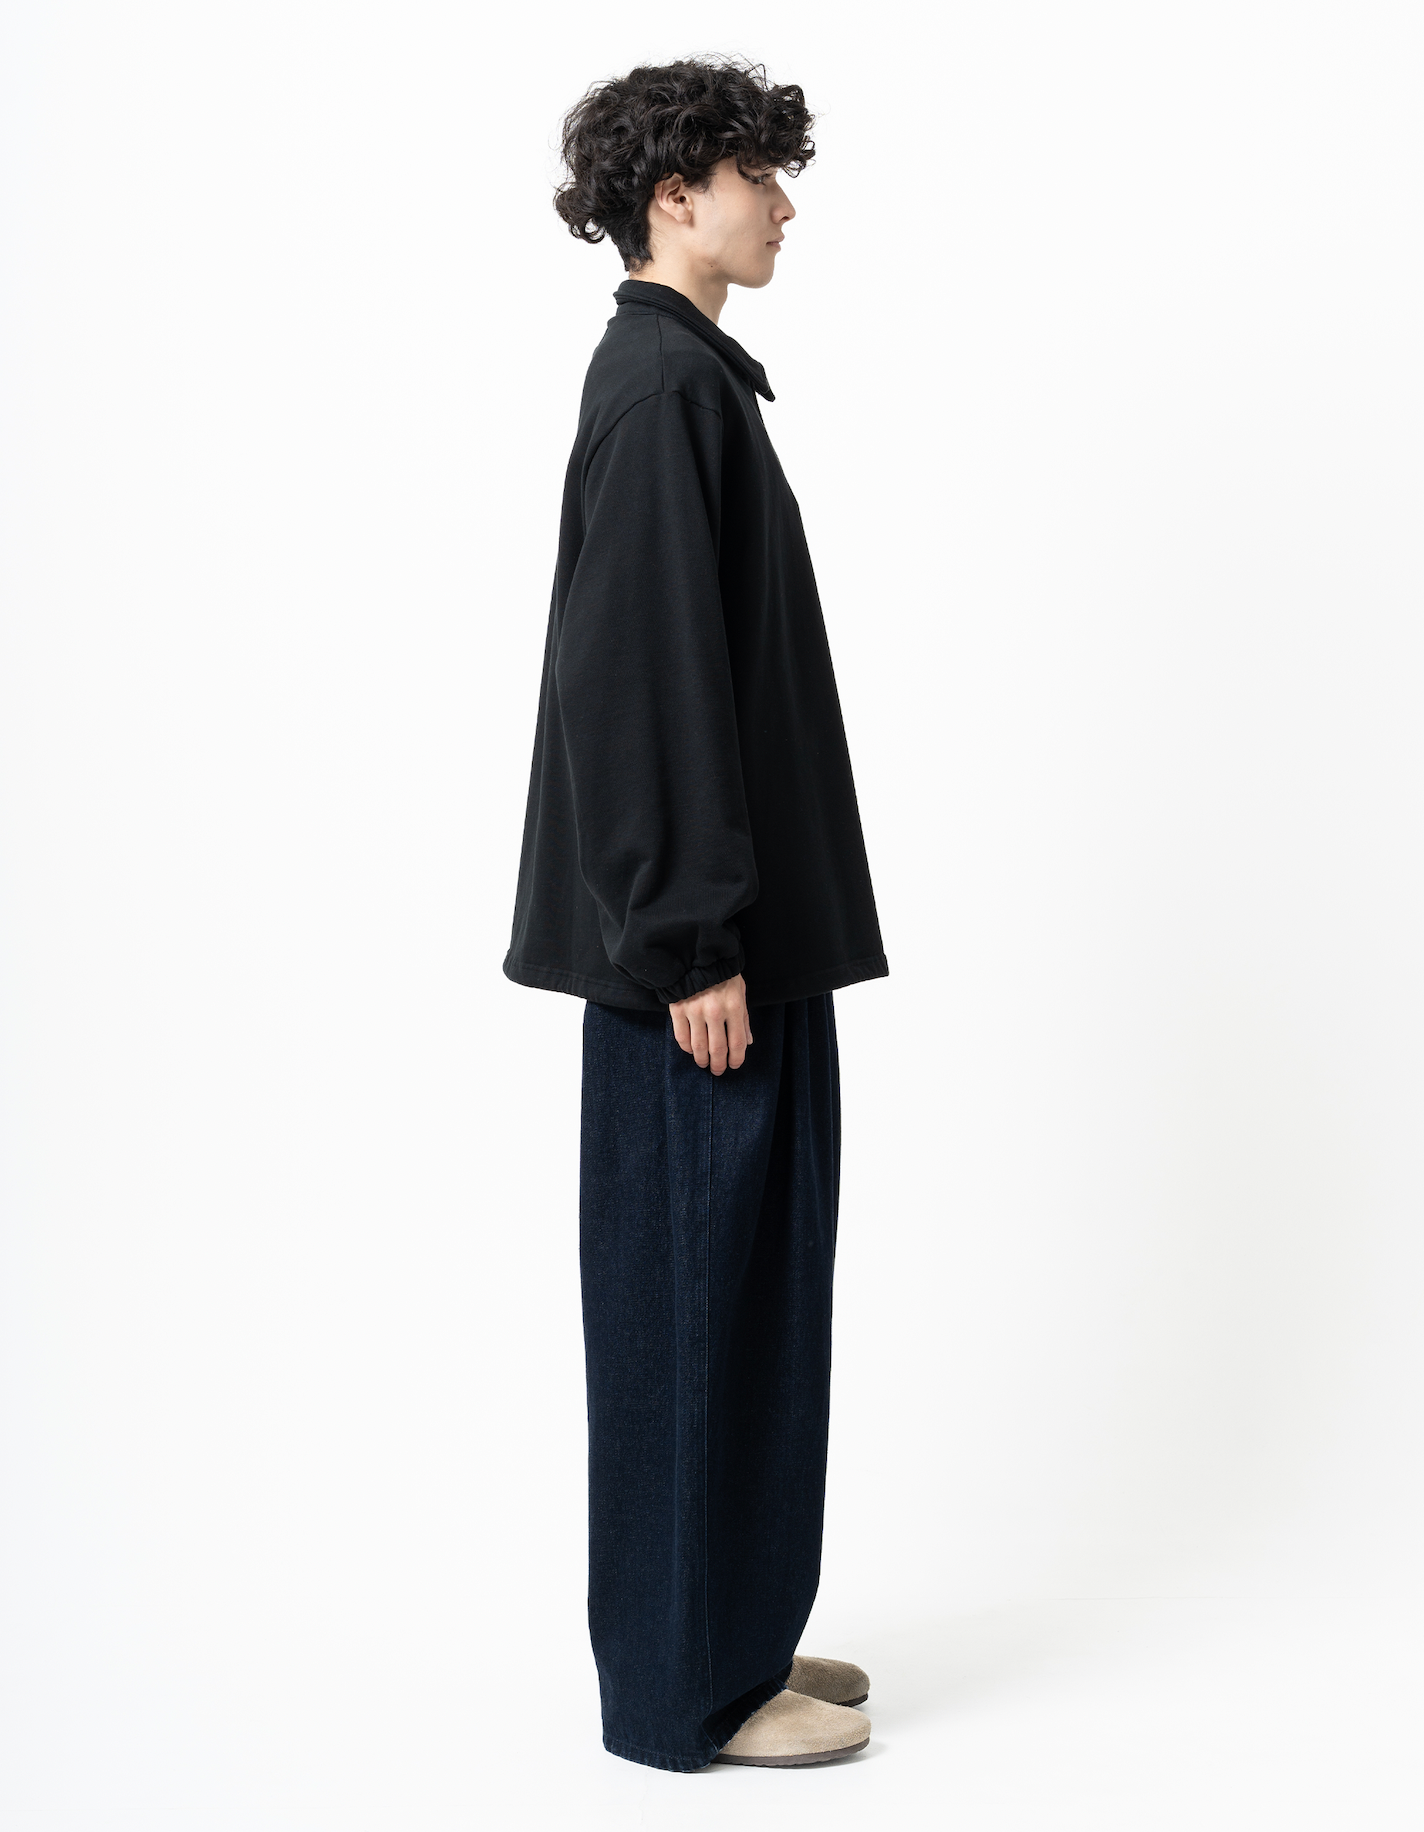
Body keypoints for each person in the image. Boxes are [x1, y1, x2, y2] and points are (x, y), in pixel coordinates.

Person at [503, 56, 888, 1773]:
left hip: (745, 945)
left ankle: (728, 1630)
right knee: (692, 1303)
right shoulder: (660, 389)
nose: (783, 206)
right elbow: (638, 679)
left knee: (748, 1295)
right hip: (702, 963)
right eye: (758, 177)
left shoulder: (693, 383)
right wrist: (690, 939)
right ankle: (683, 1693)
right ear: (676, 196)